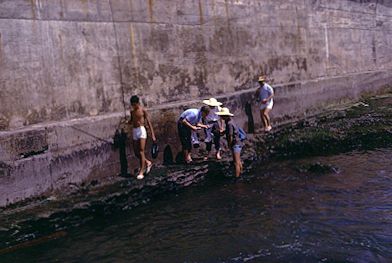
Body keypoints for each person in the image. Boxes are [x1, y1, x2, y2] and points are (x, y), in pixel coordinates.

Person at [129, 95, 156, 180]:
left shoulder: (143, 110)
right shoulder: (132, 112)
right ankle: (148, 162)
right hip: (135, 130)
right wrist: (128, 122)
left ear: (137, 103)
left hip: (141, 130)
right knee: (136, 152)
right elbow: (131, 120)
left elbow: (148, 122)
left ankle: (141, 171)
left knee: (141, 151)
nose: (133, 106)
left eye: (134, 104)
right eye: (132, 105)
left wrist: (153, 134)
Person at [216, 107, 243, 177]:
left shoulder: (229, 124)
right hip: (238, 142)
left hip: (235, 143)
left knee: (236, 162)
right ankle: (241, 173)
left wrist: (230, 145)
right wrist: (224, 132)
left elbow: (230, 135)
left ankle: (237, 177)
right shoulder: (231, 121)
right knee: (238, 161)